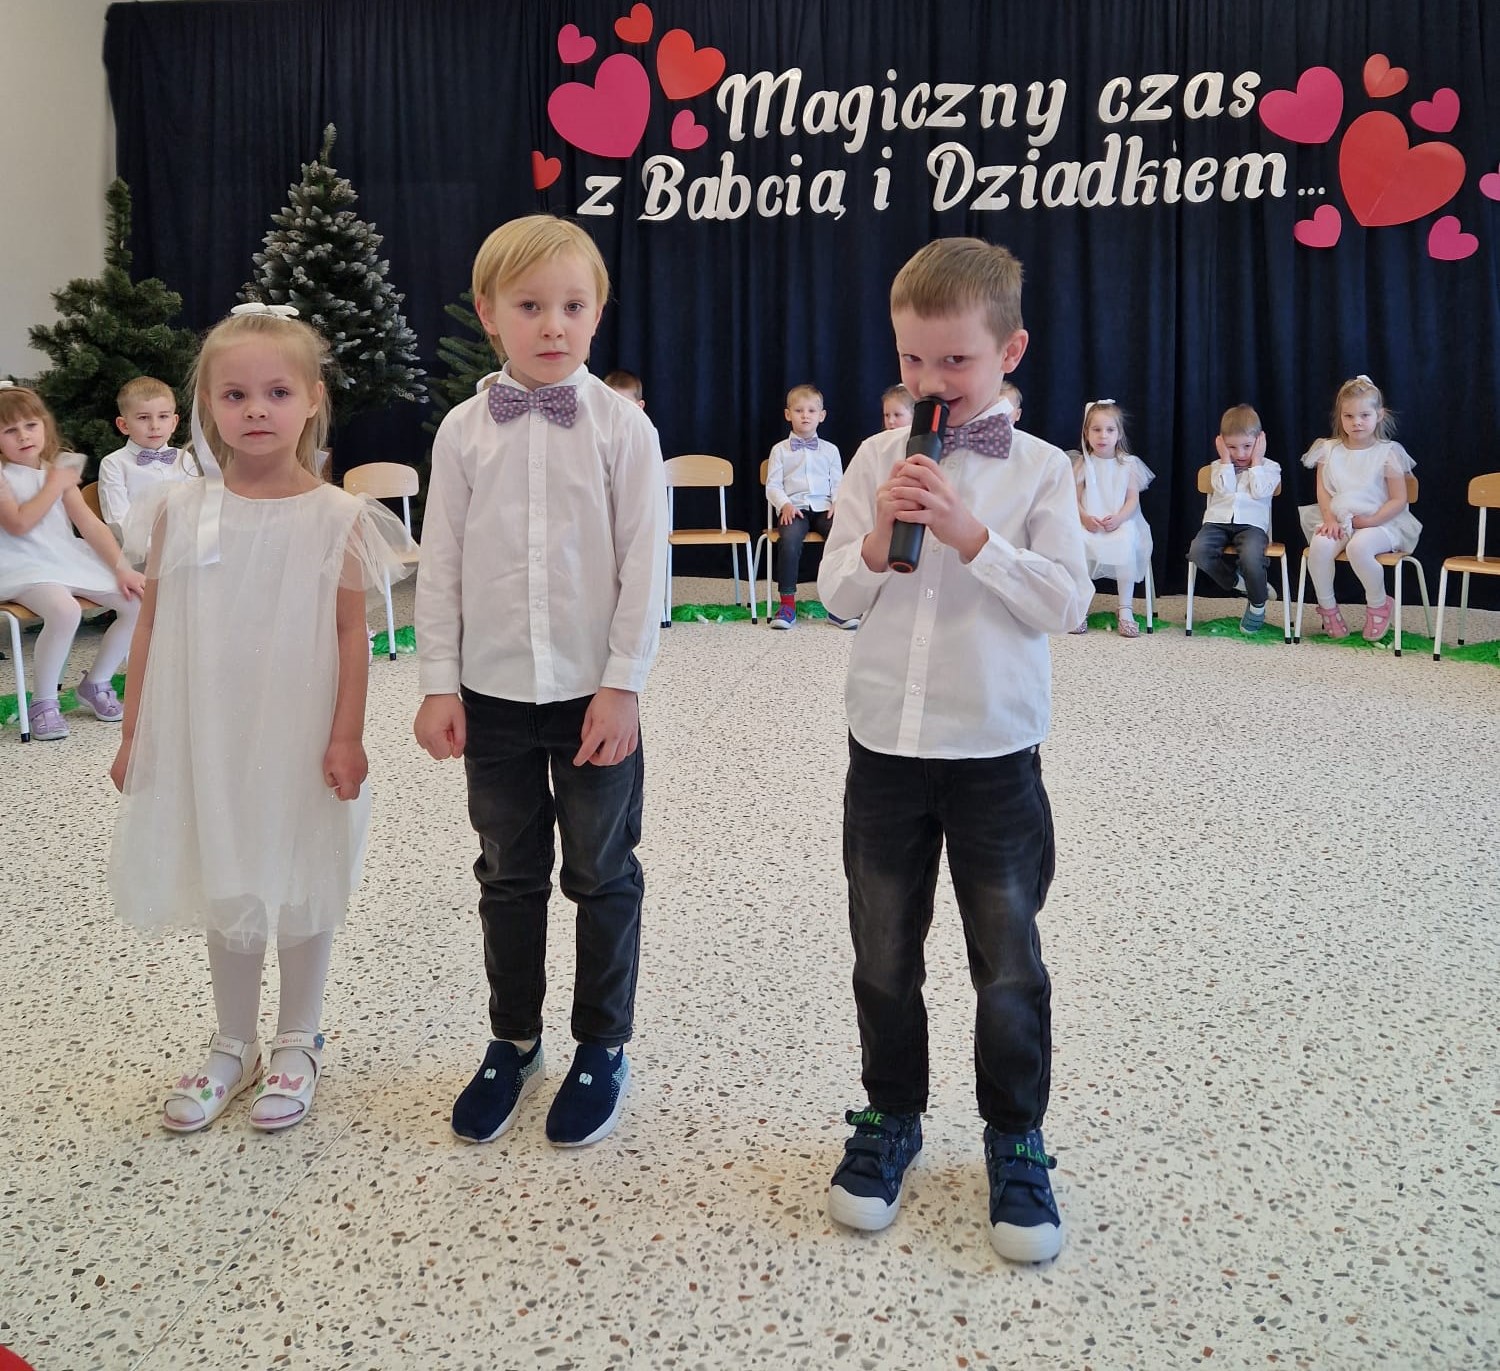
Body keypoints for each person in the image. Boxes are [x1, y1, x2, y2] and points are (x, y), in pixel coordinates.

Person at [817, 237, 1091, 1263]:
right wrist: (879, 540)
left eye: (956, 361)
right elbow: (837, 594)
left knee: (1007, 960)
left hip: (994, 754)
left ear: (1010, 351)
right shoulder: (872, 460)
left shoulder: (1042, 470)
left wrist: (975, 537)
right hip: (886, 749)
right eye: (912, 361)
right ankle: (892, 1114)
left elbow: (1067, 603)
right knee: (883, 952)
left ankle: (1015, 1135)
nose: (931, 382)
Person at [108, 305, 410, 1134]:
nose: (256, 410)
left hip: (298, 730)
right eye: (235, 394)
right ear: (208, 403)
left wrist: (346, 734)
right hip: (210, 732)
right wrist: (136, 733)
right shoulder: (179, 509)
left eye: (277, 392)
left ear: (312, 399)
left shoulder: (337, 516)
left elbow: (350, 635)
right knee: (228, 870)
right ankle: (232, 1041)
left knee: (302, 872)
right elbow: (151, 625)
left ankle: (297, 1038)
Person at [414, 214, 666, 1149]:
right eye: (530, 306)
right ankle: (513, 1039)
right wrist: (439, 681)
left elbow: (644, 565)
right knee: (508, 873)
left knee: (601, 871)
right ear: (490, 314)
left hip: (594, 696)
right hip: (491, 695)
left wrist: (623, 684)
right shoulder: (461, 431)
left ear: (598, 312)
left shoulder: (623, 427)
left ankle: (602, 1043)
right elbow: (440, 562)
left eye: (572, 305)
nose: (553, 324)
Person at [0, 384, 144, 741]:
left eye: (30, 425)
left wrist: (123, 568)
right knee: (65, 611)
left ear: (44, 425)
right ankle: (44, 702)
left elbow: (90, 525)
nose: (24, 436)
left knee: (136, 603)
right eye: (10, 430)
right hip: (21, 562)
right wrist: (56, 484)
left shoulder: (56, 470)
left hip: (62, 556)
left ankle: (96, 682)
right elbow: (18, 523)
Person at [1298, 374, 1421, 641]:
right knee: (1319, 547)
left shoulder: (1388, 452)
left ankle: (1379, 604)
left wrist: (1370, 521)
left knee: (1359, 548)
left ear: (1379, 415)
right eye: (1349, 416)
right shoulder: (1328, 450)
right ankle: (1328, 608)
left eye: (1364, 415)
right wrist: (1329, 519)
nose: (1356, 422)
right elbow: (1323, 491)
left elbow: (1399, 499)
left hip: (1381, 522)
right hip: (1339, 518)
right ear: (1340, 417)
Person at [1188, 404, 1281, 634]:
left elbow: (1260, 491)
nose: (1240, 454)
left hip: (1252, 527)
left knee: (1251, 557)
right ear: (1221, 444)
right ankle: (1238, 582)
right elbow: (1225, 489)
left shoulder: (1270, 468)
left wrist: (1256, 461)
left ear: (1260, 441)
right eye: (1232, 447)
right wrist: (1224, 460)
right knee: (1198, 552)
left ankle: (1257, 605)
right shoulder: (1219, 466)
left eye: (1247, 446)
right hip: (1217, 523)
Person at [766, 383, 847, 629]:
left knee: (841, 538)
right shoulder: (780, 450)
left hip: (824, 508)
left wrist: (838, 502)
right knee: (789, 540)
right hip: (795, 508)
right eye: (799, 410)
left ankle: (839, 605)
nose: (805, 416)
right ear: (787, 414)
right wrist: (785, 504)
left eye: (811, 411)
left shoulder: (830, 450)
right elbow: (772, 486)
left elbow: (839, 483)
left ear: (821, 416)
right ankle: (787, 604)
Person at [1071, 399, 1154, 637]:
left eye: (1109, 430)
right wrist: (1084, 517)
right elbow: (1073, 498)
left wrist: (1118, 519)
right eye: (1096, 429)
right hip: (1088, 523)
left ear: (1119, 434)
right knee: (1077, 543)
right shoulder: (1083, 464)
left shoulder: (1128, 464)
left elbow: (1132, 500)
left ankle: (1125, 608)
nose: (1103, 436)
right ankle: (1080, 606)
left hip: (1120, 522)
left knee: (1126, 541)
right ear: (1086, 433)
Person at [97, 376, 197, 540]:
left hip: (185, 543)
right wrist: (154, 550)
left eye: (163, 416)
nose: (154, 426)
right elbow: (118, 520)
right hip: (139, 549)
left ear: (174, 422)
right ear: (124, 425)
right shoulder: (114, 464)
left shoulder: (184, 458)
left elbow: (196, 506)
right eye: (143, 417)